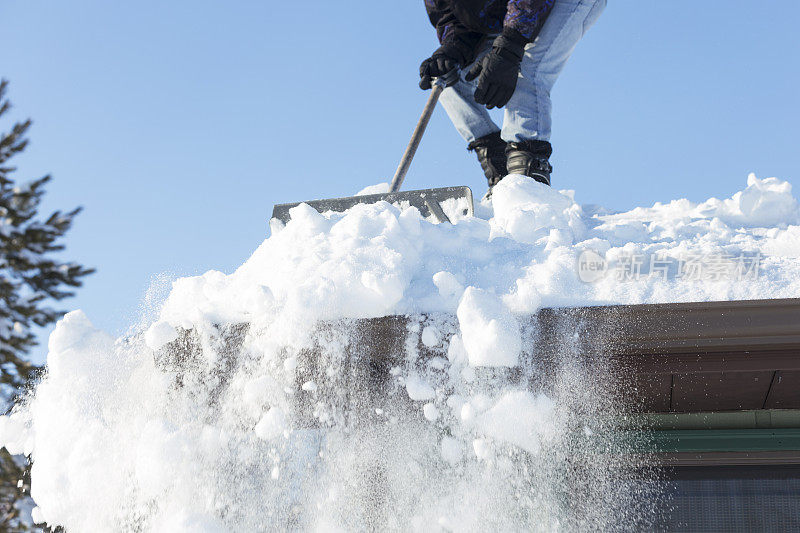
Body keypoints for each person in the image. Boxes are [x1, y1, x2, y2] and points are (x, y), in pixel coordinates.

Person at [419, 0, 606, 197]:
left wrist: (508, 49)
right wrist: (454, 48)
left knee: (526, 71)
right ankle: (501, 169)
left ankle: (527, 181)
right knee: (448, 78)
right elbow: (453, 16)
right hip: (509, 16)